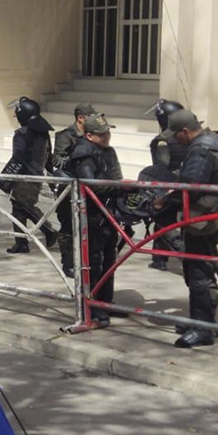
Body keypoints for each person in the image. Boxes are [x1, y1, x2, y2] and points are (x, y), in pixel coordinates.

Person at [155, 109, 218, 349]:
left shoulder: (202, 150)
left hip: (203, 218)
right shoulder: (217, 141)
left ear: (185, 131)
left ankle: (204, 328)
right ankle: (199, 319)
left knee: (199, 272)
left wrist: (165, 201)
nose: (174, 141)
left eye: (175, 136)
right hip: (213, 214)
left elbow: (192, 186)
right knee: (198, 268)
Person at [64, 115, 123, 326]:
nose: (107, 136)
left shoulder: (109, 151)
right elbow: (90, 185)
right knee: (93, 262)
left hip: (109, 212)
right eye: (102, 134)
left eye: (108, 132)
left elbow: (115, 178)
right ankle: (92, 304)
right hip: (91, 214)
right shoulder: (83, 152)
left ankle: (106, 301)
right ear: (89, 135)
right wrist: (119, 187)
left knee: (110, 259)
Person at [51, 103, 99, 277]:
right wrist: (76, 161)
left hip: (88, 187)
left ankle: (88, 262)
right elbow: (56, 160)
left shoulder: (92, 135)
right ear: (80, 118)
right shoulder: (66, 136)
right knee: (68, 227)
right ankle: (68, 263)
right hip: (69, 188)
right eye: (90, 117)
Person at [5, 97, 55, 254]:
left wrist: (9, 178)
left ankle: (48, 230)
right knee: (18, 210)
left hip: (24, 177)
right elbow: (48, 156)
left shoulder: (22, 134)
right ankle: (21, 243)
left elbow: (17, 157)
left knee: (24, 206)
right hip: (37, 174)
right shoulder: (43, 133)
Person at [145, 99, 188, 271]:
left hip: (171, 185)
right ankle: (160, 257)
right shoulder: (185, 136)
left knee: (164, 220)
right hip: (184, 183)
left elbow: (161, 167)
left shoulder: (162, 141)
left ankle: (161, 257)